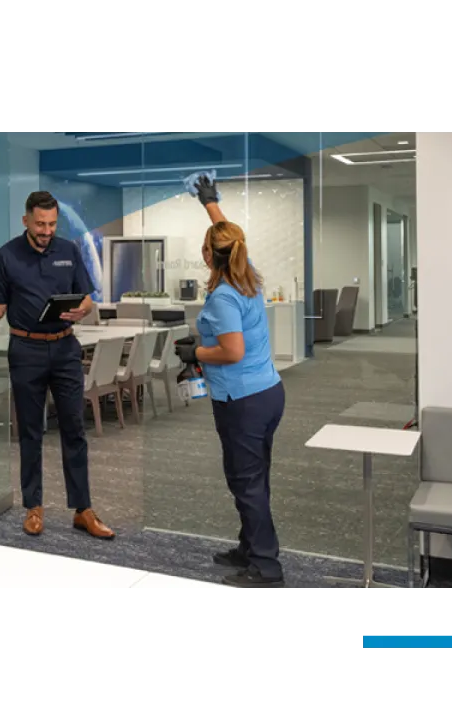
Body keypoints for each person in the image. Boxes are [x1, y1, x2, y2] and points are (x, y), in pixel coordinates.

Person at [0, 191, 115, 540]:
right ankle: (33, 508)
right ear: (26, 221)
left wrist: (83, 309)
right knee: (32, 432)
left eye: (51, 224)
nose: (47, 230)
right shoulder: (6, 255)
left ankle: (83, 509)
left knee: (75, 430)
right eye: (40, 224)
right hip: (25, 350)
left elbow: (87, 298)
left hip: (64, 347)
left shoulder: (69, 250)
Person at [174, 174, 286, 588]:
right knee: (254, 477)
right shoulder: (246, 273)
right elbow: (228, 236)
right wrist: (210, 202)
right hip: (268, 393)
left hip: (243, 400)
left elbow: (232, 351)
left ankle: (266, 567)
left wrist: (195, 353)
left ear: (208, 255)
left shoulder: (223, 295)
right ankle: (250, 547)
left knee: (246, 481)